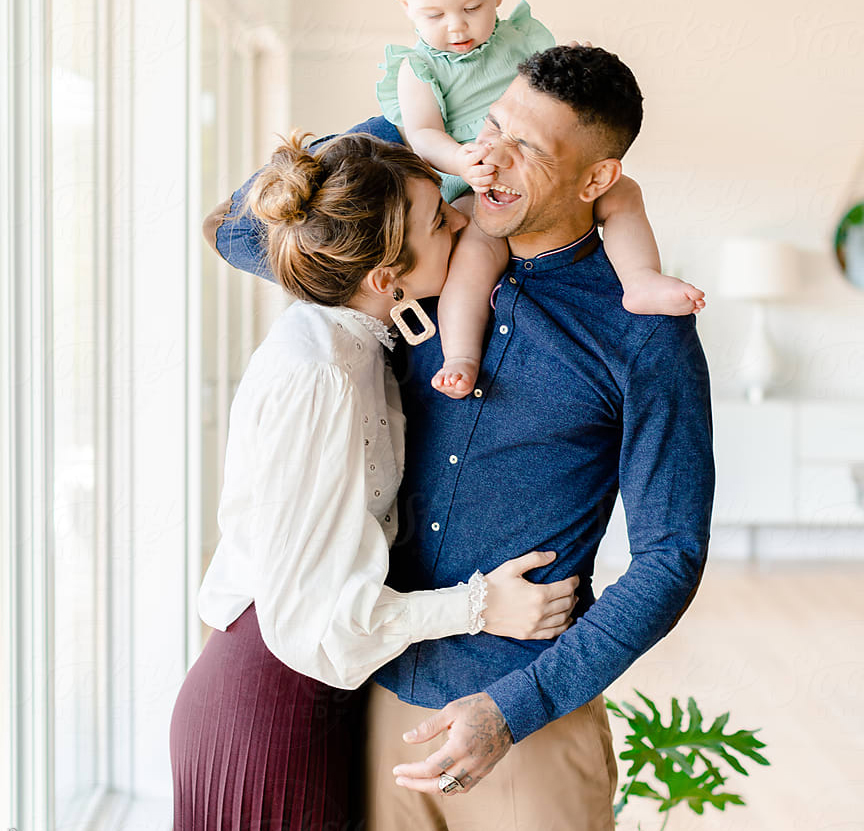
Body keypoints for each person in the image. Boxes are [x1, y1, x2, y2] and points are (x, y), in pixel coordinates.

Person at [206, 45, 715, 831]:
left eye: (530, 151)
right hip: (382, 700)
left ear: (597, 180)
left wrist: (517, 707)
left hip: (528, 725)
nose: (492, 160)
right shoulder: (417, 255)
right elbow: (234, 230)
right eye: (493, 125)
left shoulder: (644, 333)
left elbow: (672, 554)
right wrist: (406, 113)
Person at [171, 131, 581, 831]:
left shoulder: (346, 333)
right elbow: (318, 619)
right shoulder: (324, 375)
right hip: (273, 706)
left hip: (294, 693)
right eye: (436, 221)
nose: (459, 216)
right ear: (385, 279)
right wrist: (480, 607)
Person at [377, 0, 705, 399]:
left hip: (530, 193)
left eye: (472, 7)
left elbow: (555, 91)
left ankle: (638, 278)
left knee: (627, 194)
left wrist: (576, 60)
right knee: (475, 254)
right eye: (434, 14)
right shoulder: (418, 68)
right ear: (405, 4)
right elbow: (422, 133)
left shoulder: (519, 40)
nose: (456, 26)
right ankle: (461, 353)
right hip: (469, 181)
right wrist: (463, 159)